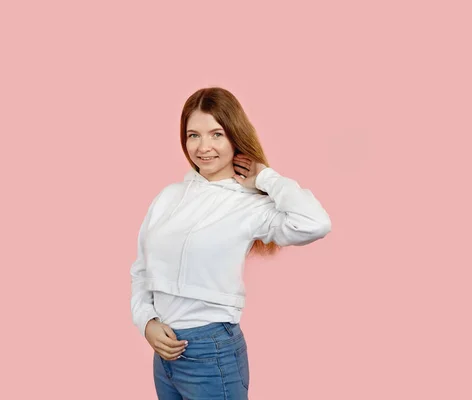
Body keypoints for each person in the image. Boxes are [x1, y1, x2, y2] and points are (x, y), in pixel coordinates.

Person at [130, 87, 331, 399]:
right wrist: (146, 322)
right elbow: (141, 270)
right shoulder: (167, 197)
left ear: (235, 136)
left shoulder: (250, 205)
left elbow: (315, 223)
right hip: (164, 354)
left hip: (211, 352)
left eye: (216, 134)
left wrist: (265, 177)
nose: (203, 147)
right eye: (193, 135)